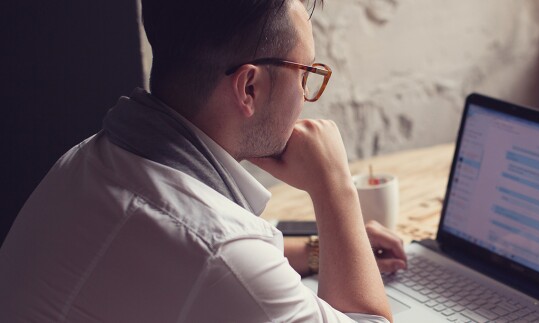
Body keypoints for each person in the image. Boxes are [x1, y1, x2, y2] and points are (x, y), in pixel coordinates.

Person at [0, 0, 405, 321]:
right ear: (249, 88)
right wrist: (334, 186)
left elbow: (178, 258)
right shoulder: (222, 250)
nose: (305, 95)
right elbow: (218, 259)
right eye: (304, 73)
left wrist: (321, 249)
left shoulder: (87, 161)